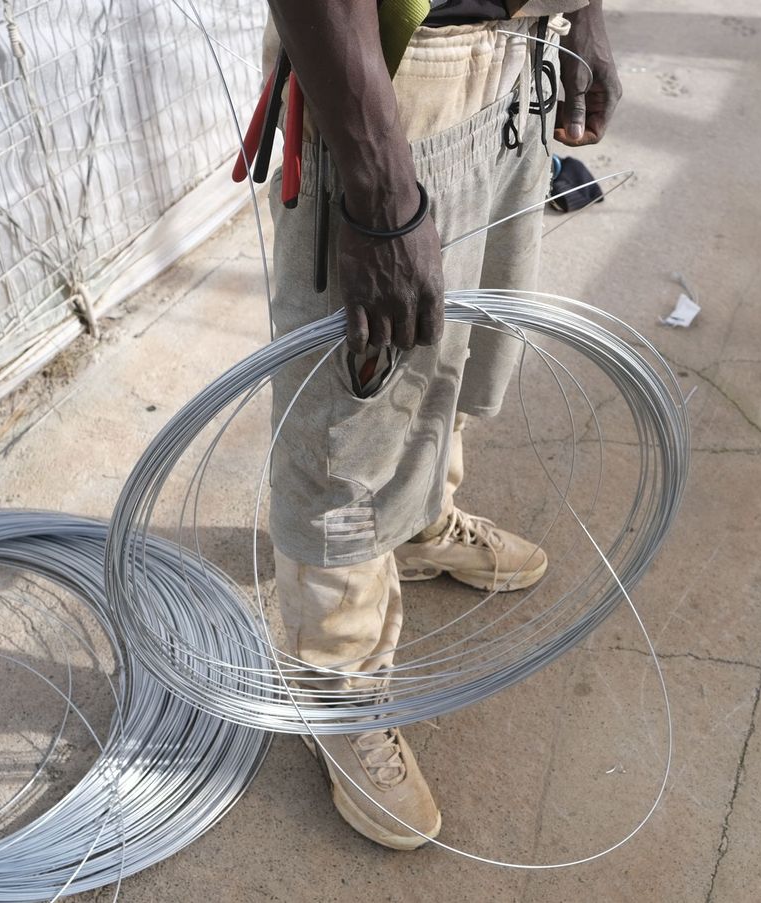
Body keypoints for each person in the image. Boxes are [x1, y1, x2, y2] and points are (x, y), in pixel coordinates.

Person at [261, 0, 620, 850]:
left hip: (521, 56)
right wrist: (380, 190)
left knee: (454, 350)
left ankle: (418, 524)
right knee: (352, 427)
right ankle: (338, 682)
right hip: (395, 78)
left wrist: (585, 17)